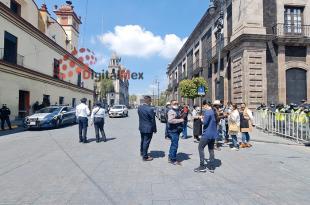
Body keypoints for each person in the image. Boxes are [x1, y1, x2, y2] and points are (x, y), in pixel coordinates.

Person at [194, 101, 218, 173]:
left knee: (200, 148)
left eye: (204, 106)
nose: (203, 107)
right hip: (213, 133)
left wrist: (201, 118)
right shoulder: (213, 111)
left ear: (206, 105)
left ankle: (202, 166)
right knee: (211, 149)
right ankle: (211, 166)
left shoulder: (207, 112)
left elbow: (204, 122)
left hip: (207, 134)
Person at [138, 96, 157, 161]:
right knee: (146, 142)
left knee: (143, 140)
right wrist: (154, 129)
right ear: (149, 101)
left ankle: (142, 152)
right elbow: (153, 120)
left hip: (141, 127)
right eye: (150, 101)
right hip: (148, 128)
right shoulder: (150, 109)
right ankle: (145, 157)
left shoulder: (139, 108)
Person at [167, 100, 184, 165]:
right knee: (175, 145)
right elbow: (170, 120)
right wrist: (181, 120)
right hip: (173, 131)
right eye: (174, 103)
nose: (176, 104)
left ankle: (170, 156)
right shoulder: (171, 111)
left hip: (176, 130)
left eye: (177, 103)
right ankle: (173, 159)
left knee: (173, 144)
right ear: (171, 104)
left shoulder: (177, 110)